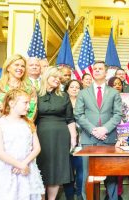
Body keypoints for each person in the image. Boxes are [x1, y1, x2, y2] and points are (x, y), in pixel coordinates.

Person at [74, 61, 122, 200]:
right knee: (86, 175)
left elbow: (118, 114)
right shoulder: (83, 93)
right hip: (89, 139)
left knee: (111, 176)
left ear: (106, 73)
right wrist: (93, 130)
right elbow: (78, 114)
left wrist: (105, 129)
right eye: (94, 69)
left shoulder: (114, 93)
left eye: (100, 69)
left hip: (108, 139)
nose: (97, 71)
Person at [0, 89, 44, 199]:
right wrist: (19, 165)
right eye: (25, 103)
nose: (28, 107)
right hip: (6, 170)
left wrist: (24, 163)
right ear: (11, 103)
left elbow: (37, 148)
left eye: (29, 103)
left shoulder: (28, 123)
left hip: (27, 167)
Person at [36, 67, 77, 200]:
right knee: (42, 169)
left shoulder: (64, 96)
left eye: (59, 78)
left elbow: (70, 119)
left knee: (56, 170)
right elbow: (31, 119)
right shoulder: (35, 94)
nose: (57, 80)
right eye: (54, 77)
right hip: (41, 136)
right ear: (46, 77)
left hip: (61, 137)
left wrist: (73, 138)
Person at [0, 54, 37, 121]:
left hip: (23, 127)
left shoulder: (30, 89)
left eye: (23, 66)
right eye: (16, 65)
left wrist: (23, 125)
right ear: (8, 68)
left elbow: (32, 111)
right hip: (0, 127)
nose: (20, 68)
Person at [63, 79, 84, 200]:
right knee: (68, 171)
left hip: (81, 142)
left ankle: (80, 194)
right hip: (65, 141)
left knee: (81, 169)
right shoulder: (62, 103)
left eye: (77, 87)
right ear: (67, 89)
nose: (75, 89)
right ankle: (69, 197)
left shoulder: (84, 103)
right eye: (72, 87)